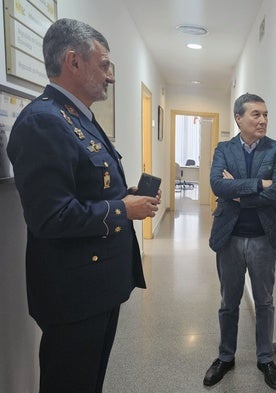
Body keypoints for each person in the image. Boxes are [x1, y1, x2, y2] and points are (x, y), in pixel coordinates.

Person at [7, 18, 160, 393]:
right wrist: (124, 210)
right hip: (71, 293)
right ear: (73, 62)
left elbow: (91, 188)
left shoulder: (77, 117)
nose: (110, 76)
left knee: (88, 381)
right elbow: (50, 216)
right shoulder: (43, 121)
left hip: (97, 287)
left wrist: (127, 194)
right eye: (104, 64)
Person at [204, 93, 276, 390]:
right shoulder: (223, 149)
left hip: (264, 238)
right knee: (228, 302)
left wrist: (238, 192)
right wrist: (258, 185)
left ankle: (265, 358)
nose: (263, 120)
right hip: (229, 237)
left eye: (265, 114)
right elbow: (217, 184)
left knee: (264, 302)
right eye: (255, 114)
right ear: (238, 118)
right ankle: (225, 357)